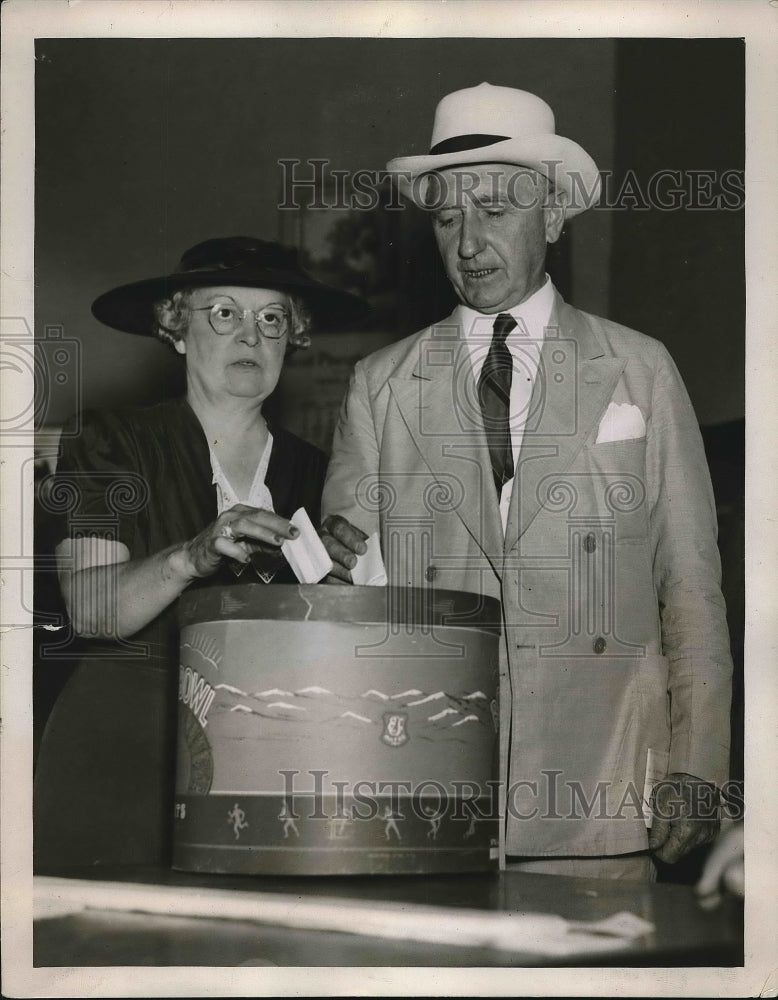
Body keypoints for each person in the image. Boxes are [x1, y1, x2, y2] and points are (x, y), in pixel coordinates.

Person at [322, 83, 733, 879]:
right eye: (447, 218)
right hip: (428, 795)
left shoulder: (640, 368)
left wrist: (699, 766)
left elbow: (690, 584)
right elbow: (353, 606)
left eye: (496, 211)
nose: (468, 242)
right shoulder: (379, 384)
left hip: (605, 794)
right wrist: (338, 573)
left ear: (552, 216)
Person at [34, 236, 366, 870]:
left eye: (272, 318)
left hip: (257, 753)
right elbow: (95, 611)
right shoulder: (112, 442)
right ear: (176, 329)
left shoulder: (316, 472)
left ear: (292, 338)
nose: (250, 335)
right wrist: (190, 555)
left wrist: (339, 589)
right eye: (223, 313)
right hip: (122, 749)